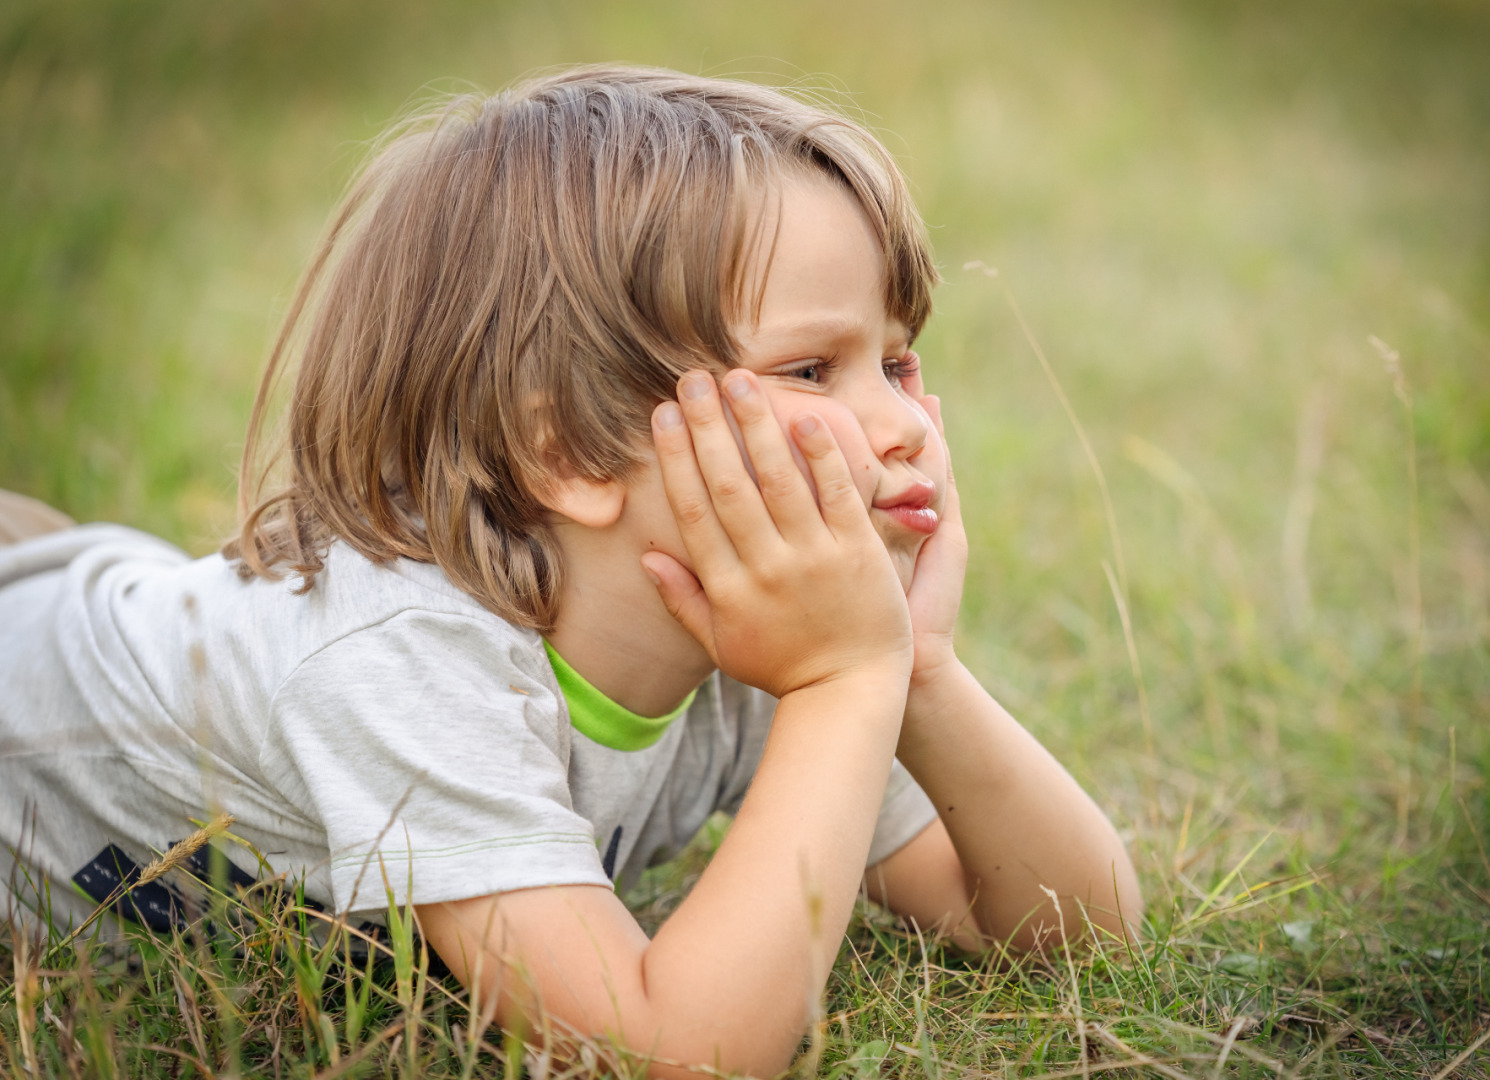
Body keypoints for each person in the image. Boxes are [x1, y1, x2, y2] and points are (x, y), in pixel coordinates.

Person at [0, 66, 1140, 1076]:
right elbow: (674, 1052)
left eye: (896, 362)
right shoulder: (404, 655)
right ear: (569, 451)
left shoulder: (762, 636)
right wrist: (849, 681)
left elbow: (1076, 934)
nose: (901, 424)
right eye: (811, 367)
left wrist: (918, 670)